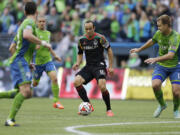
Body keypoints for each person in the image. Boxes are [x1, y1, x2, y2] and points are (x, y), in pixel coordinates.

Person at [4, 2, 51, 126]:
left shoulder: (24, 25)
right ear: (36, 12)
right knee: (26, 92)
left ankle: (10, 119)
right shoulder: (29, 23)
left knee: (23, 92)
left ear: (24, 12)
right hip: (20, 61)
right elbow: (27, 35)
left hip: (19, 61)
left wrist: (26, 61)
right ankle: (10, 120)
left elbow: (11, 47)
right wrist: (43, 43)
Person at [130, 14, 180, 118]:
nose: (158, 28)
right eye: (157, 26)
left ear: (167, 25)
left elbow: (170, 55)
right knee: (155, 85)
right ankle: (162, 105)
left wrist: (155, 59)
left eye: (160, 26)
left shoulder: (175, 37)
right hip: (161, 66)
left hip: (175, 67)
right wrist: (139, 49)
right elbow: (152, 41)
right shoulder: (158, 33)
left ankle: (176, 110)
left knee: (176, 92)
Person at [72, 20, 114, 117]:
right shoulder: (81, 40)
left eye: (90, 29)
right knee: (76, 82)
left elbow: (109, 50)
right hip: (88, 66)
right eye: (86, 29)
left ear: (94, 28)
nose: (88, 31)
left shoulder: (100, 38)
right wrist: (78, 63)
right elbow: (80, 53)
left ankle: (109, 109)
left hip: (99, 65)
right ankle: (88, 105)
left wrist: (111, 67)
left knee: (102, 86)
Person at [32, 15, 64, 109]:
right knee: (35, 84)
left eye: (43, 21)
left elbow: (48, 46)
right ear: (37, 23)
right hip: (38, 63)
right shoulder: (34, 33)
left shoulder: (48, 33)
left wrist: (55, 55)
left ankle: (56, 102)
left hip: (48, 61)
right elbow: (29, 47)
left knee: (54, 78)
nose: (42, 23)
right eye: (40, 21)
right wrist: (34, 47)